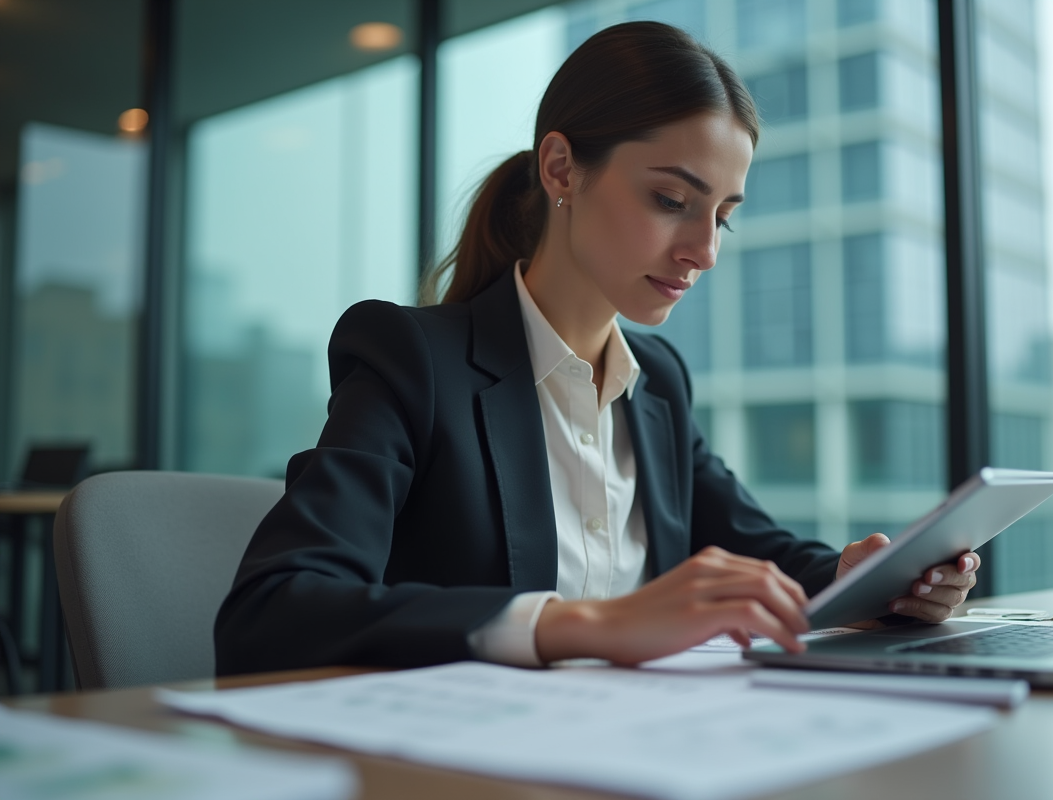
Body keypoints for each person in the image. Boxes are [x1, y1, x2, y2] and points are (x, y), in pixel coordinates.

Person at [214, 21, 979, 676]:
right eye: (672, 201)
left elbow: (762, 553)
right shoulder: (414, 360)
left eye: (723, 215)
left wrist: (874, 582)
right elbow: (272, 611)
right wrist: (590, 625)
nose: (705, 250)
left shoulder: (657, 387)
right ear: (561, 169)